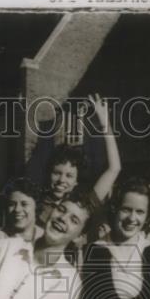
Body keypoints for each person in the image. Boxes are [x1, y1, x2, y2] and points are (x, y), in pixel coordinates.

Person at [36, 94, 121, 236]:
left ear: (76, 181)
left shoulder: (83, 205)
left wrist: (105, 122)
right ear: (49, 173)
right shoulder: (36, 204)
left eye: (69, 175)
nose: (62, 180)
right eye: (57, 173)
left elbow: (114, 168)